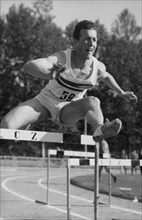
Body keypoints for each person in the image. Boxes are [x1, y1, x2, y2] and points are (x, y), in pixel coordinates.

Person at [0, 20, 138, 142]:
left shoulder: (97, 67)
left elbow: (106, 77)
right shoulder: (61, 58)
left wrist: (121, 92)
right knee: (5, 127)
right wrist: (49, 75)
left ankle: (100, 130)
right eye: (87, 39)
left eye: (94, 40)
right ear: (75, 41)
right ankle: (24, 127)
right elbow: (29, 66)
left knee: (93, 101)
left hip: (68, 109)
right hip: (44, 102)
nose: (91, 44)